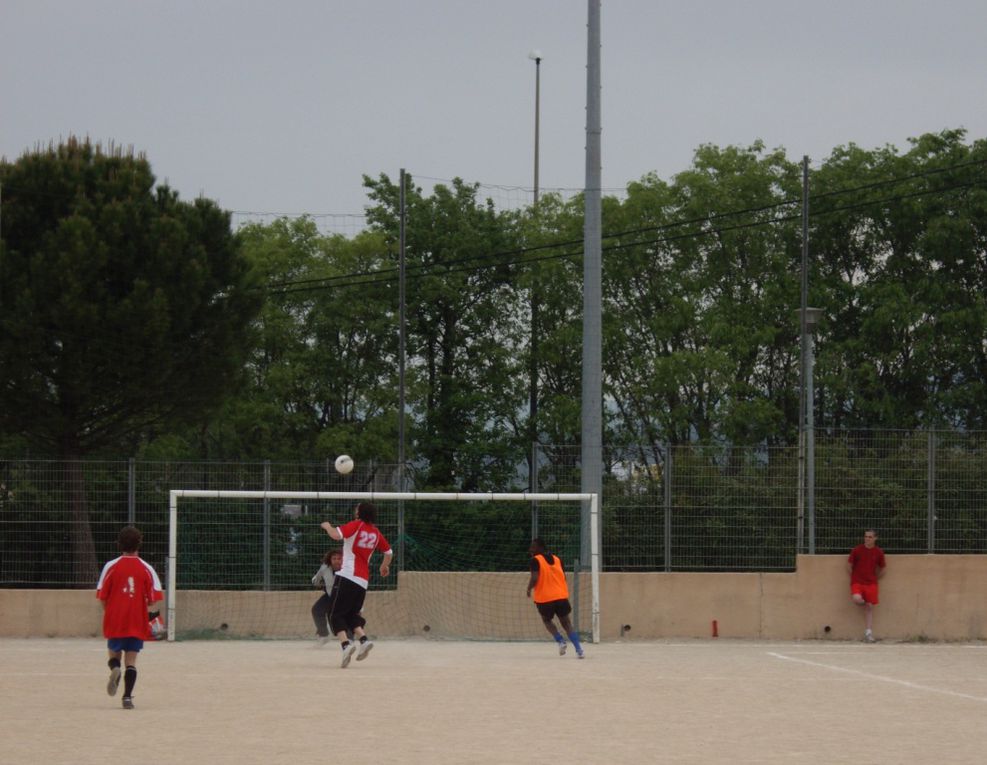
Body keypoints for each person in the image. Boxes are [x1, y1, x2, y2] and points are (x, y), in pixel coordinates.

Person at [95, 525, 163, 709]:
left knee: (113, 654)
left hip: (115, 618)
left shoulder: (111, 566)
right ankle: (127, 698)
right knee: (131, 661)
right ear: (139, 544)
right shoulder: (146, 568)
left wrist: (109, 611)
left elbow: (102, 595)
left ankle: (115, 668)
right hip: (136, 619)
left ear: (119, 544)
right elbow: (152, 600)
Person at [320, 502, 392, 668]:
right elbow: (389, 552)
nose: (355, 510)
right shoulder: (375, 532)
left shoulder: (356, 525)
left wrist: (327, 526)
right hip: (362, 581)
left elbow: (336, 535)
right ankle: (364, 640)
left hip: (347, 576)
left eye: (357, 508)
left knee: (333, 613)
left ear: (360, 512)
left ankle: (346, 645)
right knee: (351, 614)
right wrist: (383, 566)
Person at [526, 538, 584, 659]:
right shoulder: (558, 560)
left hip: (545, 598)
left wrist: (529, 588)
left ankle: (560, 641)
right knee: (567, 623)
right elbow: (563, 577)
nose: (530, 549)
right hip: (561, 596)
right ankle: (579, 649)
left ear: (540, 547)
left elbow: (535, 578)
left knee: (547, 620)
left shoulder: (535, 560)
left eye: (533, 547)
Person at [847, 529, 887, 643]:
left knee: (870, 607)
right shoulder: (857, 550)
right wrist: (854, 576)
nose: (867, 539)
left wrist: (876, 578)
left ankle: (868, 632)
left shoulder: (878, 552)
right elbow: (849, 565)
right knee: (857, 599)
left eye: (870, 537)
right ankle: (865, 603)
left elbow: (883, 568)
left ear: (875, 538)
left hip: (871, 583)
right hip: (857, 582)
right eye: (866, 536)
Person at [311, 548, 346, 645]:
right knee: (316, 610)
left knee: (348, 615)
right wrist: (317, 583)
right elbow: (315, 580)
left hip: (346, 597)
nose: (336, 561)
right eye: (334, 558)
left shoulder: (348, 568)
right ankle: (324, 634)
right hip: (330, 596)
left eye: (339, 558)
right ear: (330, 560)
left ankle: (350, 638)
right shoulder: (324, 568)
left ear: (343, 559)